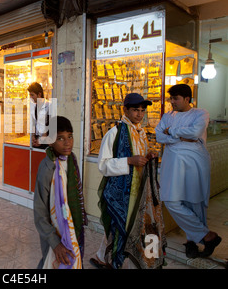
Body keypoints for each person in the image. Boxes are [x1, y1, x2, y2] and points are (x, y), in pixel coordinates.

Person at [93, 93, 165, 269]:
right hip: (121, 193)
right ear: (125, 110)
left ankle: (102, 256)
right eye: (135, 110)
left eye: (142, 110)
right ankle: (109, 259)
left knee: (124, 227)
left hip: (138, 191)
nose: (139, 114)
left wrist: (148, 156)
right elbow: (103, 165)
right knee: (119, 225)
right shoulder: (114, 133)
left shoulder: (141, 133)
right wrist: (129, 161)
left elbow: (140, 158)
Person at [155, 84, 221, 258]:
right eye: (171, 98)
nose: (172, 102)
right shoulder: (167, 116)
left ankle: (192, 241)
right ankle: (207, 236)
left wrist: (172, 133)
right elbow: (159, 136)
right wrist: (183, 137)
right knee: (170, 200)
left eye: (175, 98)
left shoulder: (200, 113)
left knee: (195, 202)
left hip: (195, 162)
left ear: (187, 99)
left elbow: (196, 132)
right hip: (172, 163)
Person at [33, 116, 87, 269]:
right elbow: (40, 211)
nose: (67, 142)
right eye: (60, 138)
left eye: (70, 137)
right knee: (50, 261)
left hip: (73, 225)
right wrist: (54, 242)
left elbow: (74, 192)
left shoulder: (72, 159)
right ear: (50, 141)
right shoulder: (47, 168)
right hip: (54, 232)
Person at [28, 82, 50, 149]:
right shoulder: (34, 106)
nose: (31, 97)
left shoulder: (48, 106)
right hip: (37, 140)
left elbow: (50, 126)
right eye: (30, 95)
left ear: (39, 94)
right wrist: (33, 136)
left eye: (32, 95)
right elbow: (33, 124)